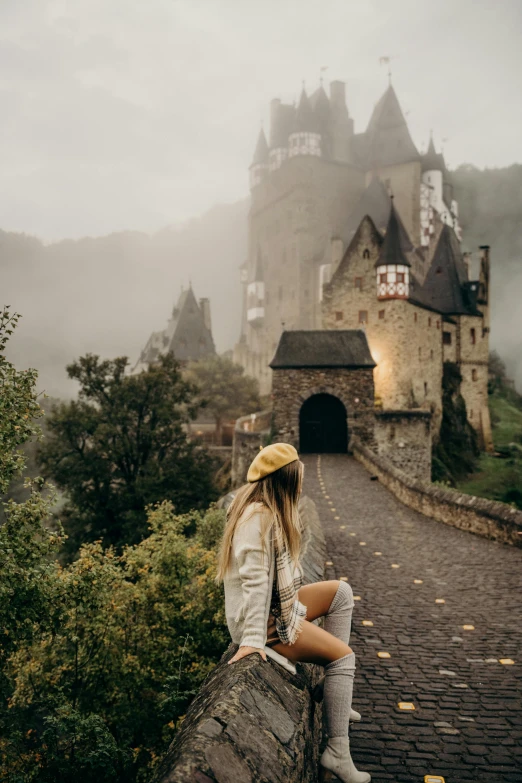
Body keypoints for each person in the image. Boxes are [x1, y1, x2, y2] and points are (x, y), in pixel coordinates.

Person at [216, 442, 371, 783]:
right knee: (344, 657)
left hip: (275, 606)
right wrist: (253, 640)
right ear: (286, 478)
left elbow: (272, 583)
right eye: (299, 473)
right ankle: (337, 753)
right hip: (262, 622)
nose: (303, 480)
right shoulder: (257, 519)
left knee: (340, 593)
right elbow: (255, 584)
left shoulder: (270, 509)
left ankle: (332, 691)